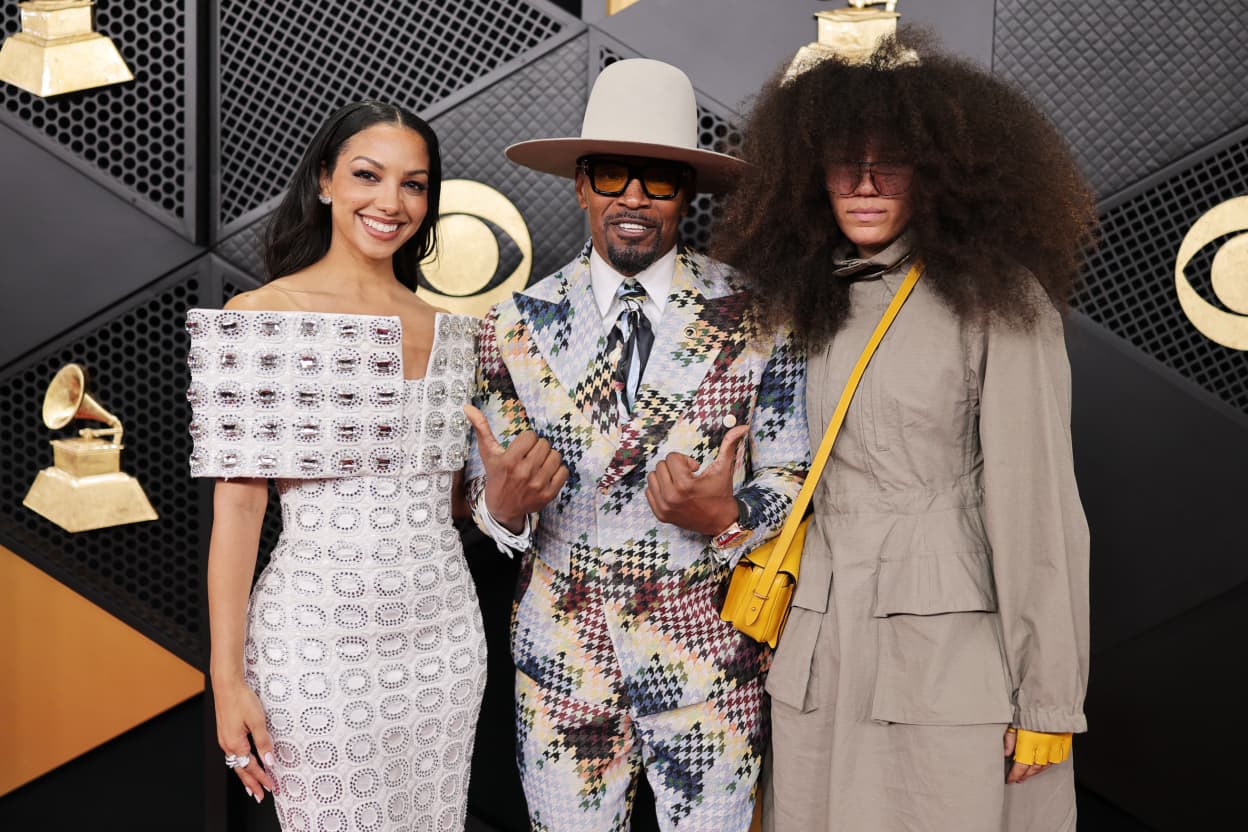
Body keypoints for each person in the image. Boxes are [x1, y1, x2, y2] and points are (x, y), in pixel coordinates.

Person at [714, 36, 1096, 832]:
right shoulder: (797, 302)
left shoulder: (997, 303)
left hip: (943, 653)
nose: (862, 184)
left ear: (938, 171)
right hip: (818, 654)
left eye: (889, 162)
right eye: (839, 163)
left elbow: (1038, 513)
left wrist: (1049, 697)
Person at [462, 59, 809, 831]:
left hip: (709, 660)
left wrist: (730, 510)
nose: (633, 198)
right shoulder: (514, 321)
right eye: (613, 176)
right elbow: (485, 488)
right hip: (562, 665)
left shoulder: (759, 316)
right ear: (582, 183)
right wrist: (503, 508)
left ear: (685, 193)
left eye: (657, 181)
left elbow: (794, 473)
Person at [187, 100, 487, 832]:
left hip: (445, 644)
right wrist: (228, 682)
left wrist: (505, 490)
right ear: (325, 181)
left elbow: (448, 501)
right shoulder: (265, 315)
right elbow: (239, 513)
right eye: (367, 175)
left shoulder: (453, 331)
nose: (391, 202)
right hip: (317, 646)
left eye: (414, 185)